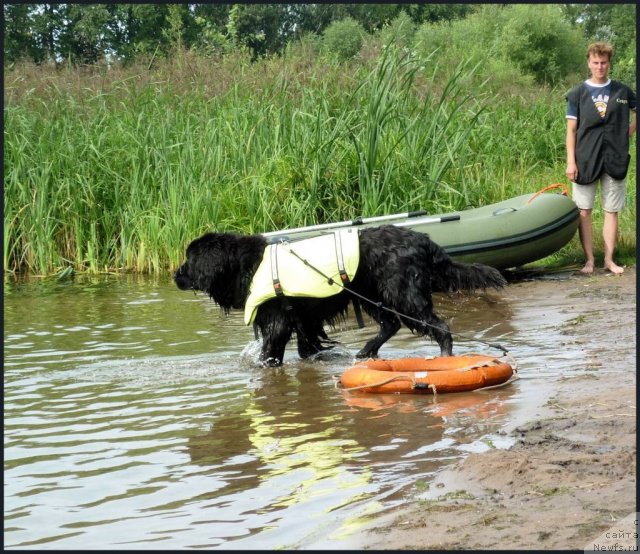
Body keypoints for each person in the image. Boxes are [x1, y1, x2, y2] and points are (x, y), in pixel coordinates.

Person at [565, 42, 636, 275]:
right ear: (589, 63)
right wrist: (571, 162)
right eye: (595, 62)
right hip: (585, 159)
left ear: (609, 63)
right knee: (584, 210)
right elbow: (571, 131)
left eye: (603, 62)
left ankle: (608, 260)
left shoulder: (622, 91)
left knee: (611, 210)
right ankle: (589, 261)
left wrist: (629, 130)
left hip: (615, 159)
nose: (600, 66)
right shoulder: (577, 93)